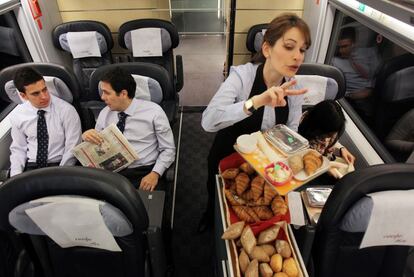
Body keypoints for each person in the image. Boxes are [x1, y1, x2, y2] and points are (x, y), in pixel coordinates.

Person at [199, 13, 310, 232]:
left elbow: (292, 130)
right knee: (219, 200)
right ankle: (209, 217)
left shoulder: (294, 88)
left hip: (265, 163)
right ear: (267, 49)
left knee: (253, 209)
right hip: (228, 157)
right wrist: (257, 101)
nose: (298, 56)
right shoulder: (242, 77)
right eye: (289, 47)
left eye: (302, 49)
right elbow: (208, 121)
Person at [82, 67, 175, 191]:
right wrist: (87, 137)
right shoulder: (105, 113)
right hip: (111, 171)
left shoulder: (154, 112)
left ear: (123, 94)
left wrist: (155, 174)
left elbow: (168, 149)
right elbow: (97, 145)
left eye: (107, 92)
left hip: (143, 171)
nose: (102, 97)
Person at [9, 67, 82, 177]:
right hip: (31, 166)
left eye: (44, 89)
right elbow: (18, 149)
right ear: (24, 96)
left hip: (58, 166)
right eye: (36, 93)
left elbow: (72, 149)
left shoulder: (66, 110)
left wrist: (61, 175)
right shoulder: (18, 114)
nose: (44, 96)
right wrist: (15, 177)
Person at [331, 26, 381, 124]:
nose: (341, 51)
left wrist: (370, 89)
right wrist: (351, 95)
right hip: (351, 102)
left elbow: (378, 74)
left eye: (345, 46)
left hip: (373, 96)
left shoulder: (369, 53)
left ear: (354, 44)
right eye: (339, 47)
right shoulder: (334, 62)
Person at [298, 100, 355, 168]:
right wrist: (325, 167)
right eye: (327, 134)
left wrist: (341, 149)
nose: (327, 139)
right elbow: (297, 158)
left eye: (332, 135)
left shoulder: (332, 130)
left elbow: (332, 141)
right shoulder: (297, 128)